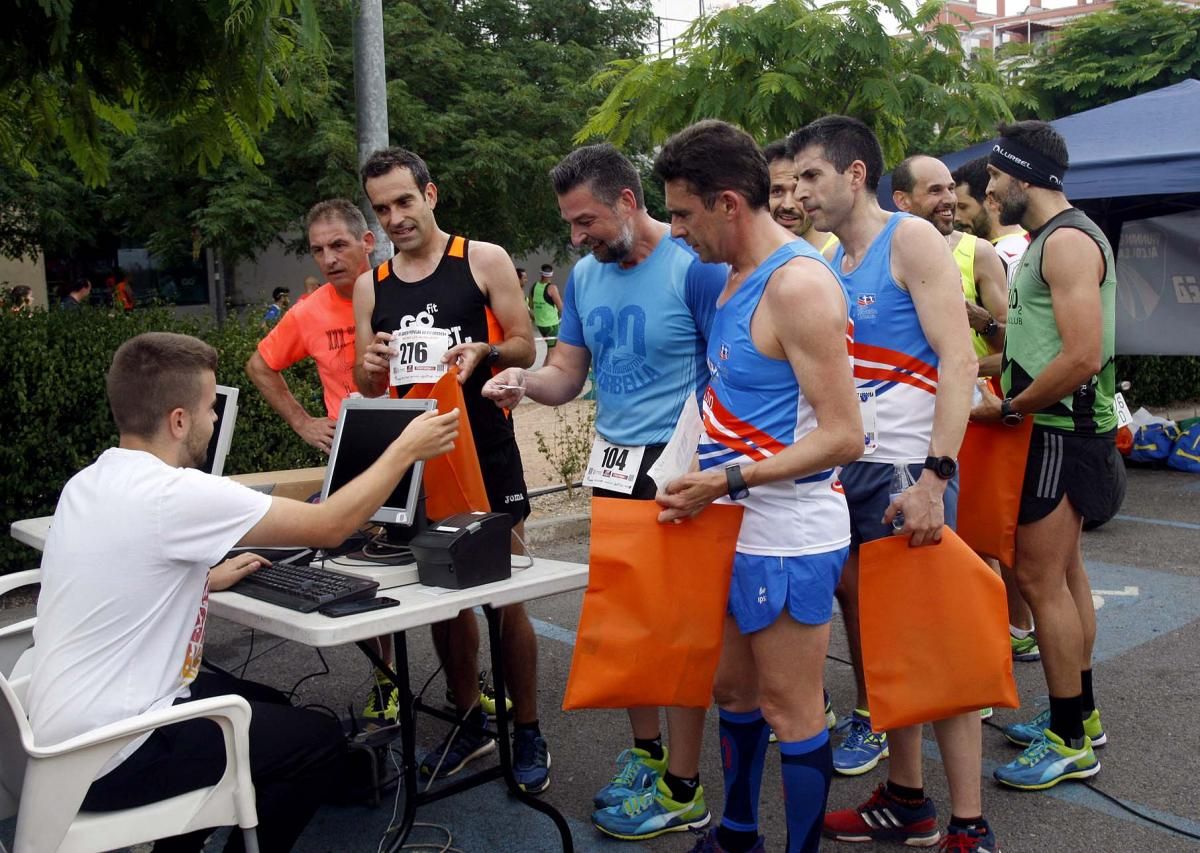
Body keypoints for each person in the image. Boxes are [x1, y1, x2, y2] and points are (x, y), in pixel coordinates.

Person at [27, 331, 458, 852]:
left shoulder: (89, 481)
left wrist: (205, 578)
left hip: (62, 737)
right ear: (179, 420)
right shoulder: (176, 493)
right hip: (113, 756)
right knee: (316, 743)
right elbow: (329, 525)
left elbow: (122, 573)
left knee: (268, 701)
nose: (214, 421)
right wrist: (403, 450)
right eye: (210, 408)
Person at [483, 143, 727, 841]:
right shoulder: (586, 277)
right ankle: (649, 754)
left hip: (678, 469)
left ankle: (685, 786)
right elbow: (567, 373)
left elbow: (728, 371)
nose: (576, 236)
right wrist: (521, 383)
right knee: (631, 622)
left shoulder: (694, 267)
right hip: (613, 466)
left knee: (675, 630)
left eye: (585, 219)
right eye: (569, 223)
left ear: (627, 200)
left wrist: (707, 466)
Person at [653, 119, 863, 853]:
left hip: (789, 529)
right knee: (733, 694)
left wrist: (731, 476)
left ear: (730, 204)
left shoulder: (799, 284)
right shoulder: (730, 275)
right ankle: (737, 834)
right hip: (725, 520)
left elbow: (845, 435)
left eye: (683, 213)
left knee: (791, 706)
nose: (676, 229)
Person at [790, 116, 996, 851]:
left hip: (914, 471)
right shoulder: (830, 264)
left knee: (941, 647)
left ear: (853, 175)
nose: (799, 192)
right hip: (859, 472)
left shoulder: (907, 238)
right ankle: (907, 797)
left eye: (811, 176)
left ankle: (969, 824)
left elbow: (959, 360)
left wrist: (937, 476)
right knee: (888, 646)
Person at [353, 147, 551, 792]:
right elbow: (362, 373)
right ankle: (468, 721)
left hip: (485, 447)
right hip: (416, 457)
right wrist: (373, 363)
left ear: (430, 194)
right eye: (382, 208)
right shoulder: (372, 284)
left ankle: (527, 729)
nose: (395, 218)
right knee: (442, 597)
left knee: (506, 594)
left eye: (404, 202)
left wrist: (486, 350)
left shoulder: (481, 259)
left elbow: (527, 341)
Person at [973, 120, 1116, 791]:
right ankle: (1079, 717)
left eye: (996, 173)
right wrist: (981, 349)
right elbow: (1039, 345)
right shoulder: (1048, 241)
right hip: (1055, 425)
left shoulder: (1065, 243)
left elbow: (1082, 356)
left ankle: (1067, 738)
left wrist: (1007, 406)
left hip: (1058, 429)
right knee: (1065, 574)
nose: (989, 184)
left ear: (1022, 174)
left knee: (1038, 580)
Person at [952, 154, 1041, 665]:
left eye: (965, 201)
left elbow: (1015, 346)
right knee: (991, 531)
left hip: (993, 410)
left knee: (996, 531)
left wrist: (965, 363)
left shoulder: (997, 251)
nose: (961, 211)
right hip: (977, 409)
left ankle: (1009, 631)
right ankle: (1007, 629)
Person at [247, 200, 374, 455]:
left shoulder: (401, 289)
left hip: (416, 436)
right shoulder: (308, 312)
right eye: (318, 250)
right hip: (353, 446)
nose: (329, 259)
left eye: (339, 245)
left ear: (367, 242)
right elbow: (258, 366)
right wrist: (302, 422)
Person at [891, 155, 1008, 378]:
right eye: (935, 191)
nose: (949, 199)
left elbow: (1014, 349)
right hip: (902, 403)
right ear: (902, 200)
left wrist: (985, 323)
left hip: (969, 402)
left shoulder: (979, 253)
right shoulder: (882, 254)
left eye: (951, 189)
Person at [952, 156, 1031, 283]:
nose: (956, 218)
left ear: (991, 201)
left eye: (963, 207)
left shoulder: (1007, 255)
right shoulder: (1030, 240)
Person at [762, 139, 837, 254]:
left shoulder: (840, 258)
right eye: (777, 191)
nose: (787, 205)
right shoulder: (745, 258)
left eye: (798, 190)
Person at [529, 263, 563, 347]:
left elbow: (531, 305)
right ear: (551, 274)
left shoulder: (534, 286)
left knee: (551, 348)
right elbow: (561, 308)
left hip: (540, 324)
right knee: (553, 351)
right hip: (551, 325)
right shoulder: (552, 288)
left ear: (541, 273)